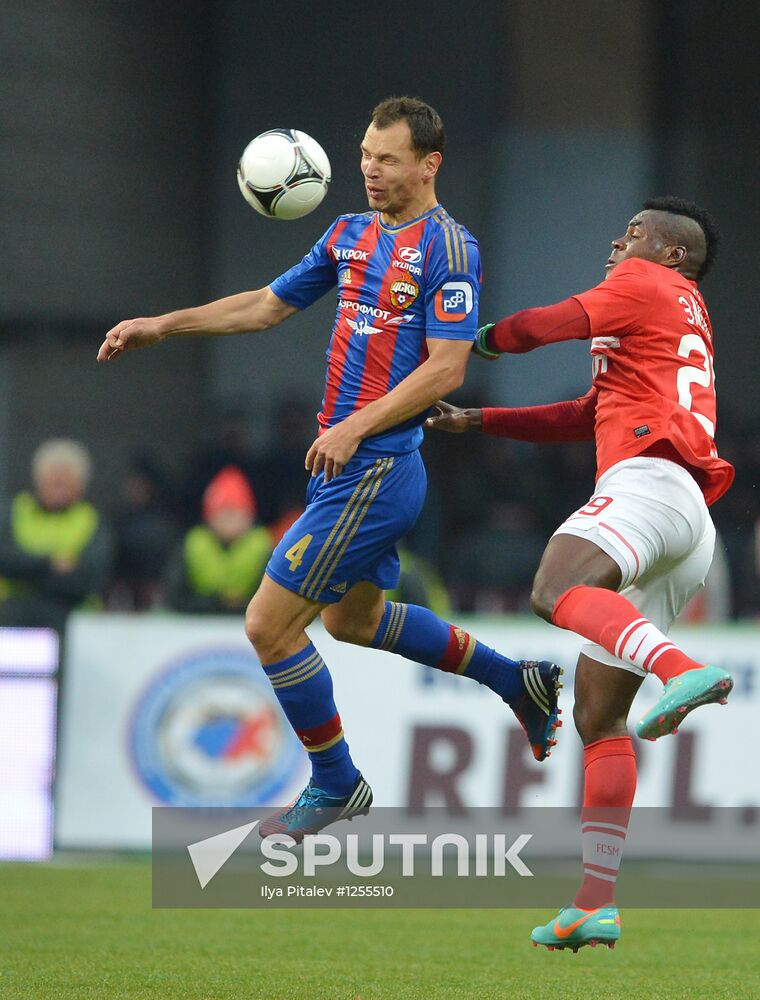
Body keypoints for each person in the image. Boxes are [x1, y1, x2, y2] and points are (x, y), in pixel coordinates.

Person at [97, 97, 561, 839]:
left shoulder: (451, 249)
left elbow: (445, 372)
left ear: (428, 164)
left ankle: (338, 781)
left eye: (387, 159)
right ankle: (518, 680)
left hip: (375, 467)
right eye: (364, 157)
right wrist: (163, 325)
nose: (370, 172)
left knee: (268, 627)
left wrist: (354, 425)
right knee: (353, 620)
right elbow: (265, 307)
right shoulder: (348, 233)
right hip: (345, 465)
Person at [427, 197, 734, 951]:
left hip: (646, 484)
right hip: (687, 517)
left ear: (669, 253)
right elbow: (582, 411)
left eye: (633, 232)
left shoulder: (647, 286)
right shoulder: (675, 313)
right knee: (599, 719)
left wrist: (473, 342)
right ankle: (596, 902)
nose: (616, 240)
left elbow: (545, 325)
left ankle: (681, 667)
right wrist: (480, 422)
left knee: (553, 590)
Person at [0, 439, 114, 635]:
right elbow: (5, 559)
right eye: (52, 482)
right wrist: (50, 563)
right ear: (38, 480)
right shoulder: (14, 512)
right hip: (11, 615)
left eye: (63, 483)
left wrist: (26, 571)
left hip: (69, 618)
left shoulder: (92, 521)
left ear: (80, 486)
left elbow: (86, 579)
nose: (57, 490)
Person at [165, 466, 273, 614]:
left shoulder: (263, 545)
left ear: (249, 517)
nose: (229, 521)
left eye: (236, 512)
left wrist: (239, 605)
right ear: (209, 517)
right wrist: (216, 603)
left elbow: (274, 598)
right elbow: (174, 595)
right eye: (223, 512)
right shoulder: (194, 543)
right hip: (197, 624)